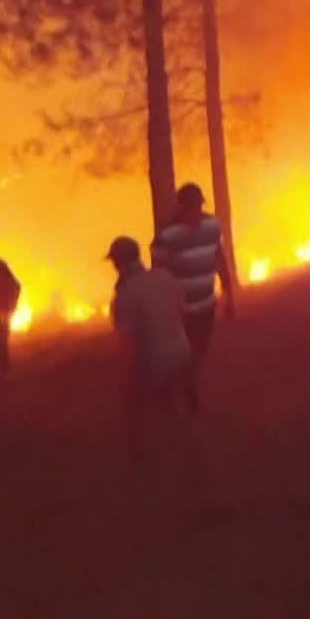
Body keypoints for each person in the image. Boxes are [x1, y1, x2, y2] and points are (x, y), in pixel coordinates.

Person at [107, 236, 194, 465]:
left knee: (133, 405)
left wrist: (126, 379)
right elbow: (182, 312)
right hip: (182, 352)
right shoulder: (165, 277)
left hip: (155, 361)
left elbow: (127, 343)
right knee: (173, 402)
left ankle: (138, 458)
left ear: (117, 263)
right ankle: (188, 449)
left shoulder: (123, 297)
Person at [149, 182, 233, 410]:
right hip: (180, 309)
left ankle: (183, 386)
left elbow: (219, 258)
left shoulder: (212, 226)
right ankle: (185, 392)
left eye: (198, 206)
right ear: (180, 208)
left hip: (206, 303)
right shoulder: (166, 236)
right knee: (182, 352)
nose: (195, 212)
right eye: (190, 208)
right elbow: (159, 273)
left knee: (199, 350)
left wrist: (228, 293)